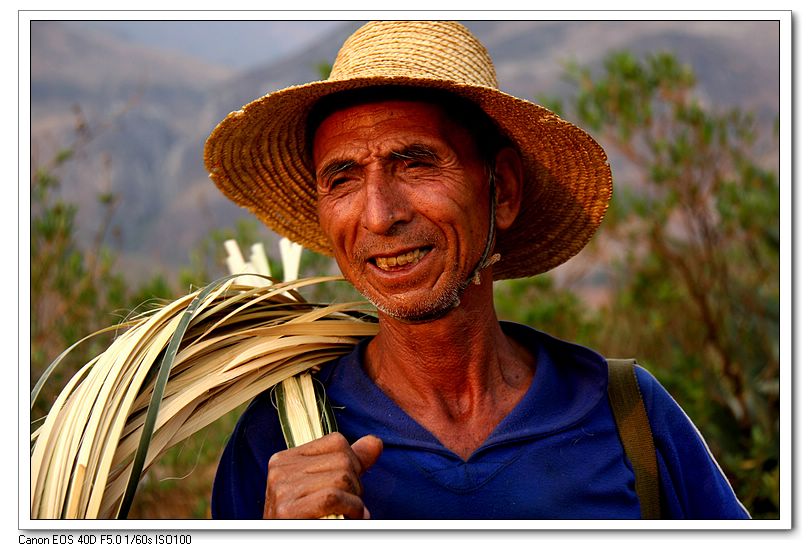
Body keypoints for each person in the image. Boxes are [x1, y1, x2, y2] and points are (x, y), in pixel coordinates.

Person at [203, 21, 749, 520]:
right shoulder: (281, 439)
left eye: (415, 162)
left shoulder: (626, 412)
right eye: (342, 178)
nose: (379, 215)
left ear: (502, 190)